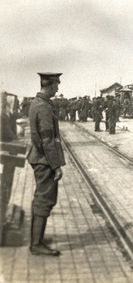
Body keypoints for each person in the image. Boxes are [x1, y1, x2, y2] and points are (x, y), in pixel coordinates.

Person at [27, 72, 65, 256]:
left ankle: (37, 239)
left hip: (40, 158)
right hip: (45, 161)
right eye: (57, 85)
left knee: (41, 199)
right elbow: (47, 139)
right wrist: (56, 166)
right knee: (44, 200)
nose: (58, 88)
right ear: (50, 85)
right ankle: (36, 244)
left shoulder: (39, 103)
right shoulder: (43, 107)